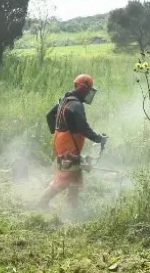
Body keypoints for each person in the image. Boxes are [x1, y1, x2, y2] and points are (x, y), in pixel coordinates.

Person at [37, 74, 108, 209]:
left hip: (62, 142)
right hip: (68, 147)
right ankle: (41, 203)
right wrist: (98, 139)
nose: (89, 93)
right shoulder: (76, 105)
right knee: (64, 179)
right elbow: (83, 128)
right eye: (89, 89)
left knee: (75, 177)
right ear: (82, 88)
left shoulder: (65, 100)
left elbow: (49, 115)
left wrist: (56, 130)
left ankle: (73, 208)